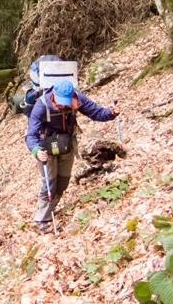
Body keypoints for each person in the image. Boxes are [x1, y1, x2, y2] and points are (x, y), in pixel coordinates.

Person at [25, 80, 118, 233]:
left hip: (66, 144)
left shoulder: (76, 99)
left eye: (66, 102)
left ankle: (51, 209)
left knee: (63, 182)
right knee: (49, 182)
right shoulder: (41, 106)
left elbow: (96, 112)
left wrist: (111, 113)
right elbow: (31, 135)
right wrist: (36, 150)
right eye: (61, 102)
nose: (64, 106)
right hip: (46, 149)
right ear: (54, 95)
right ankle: (42, 220)